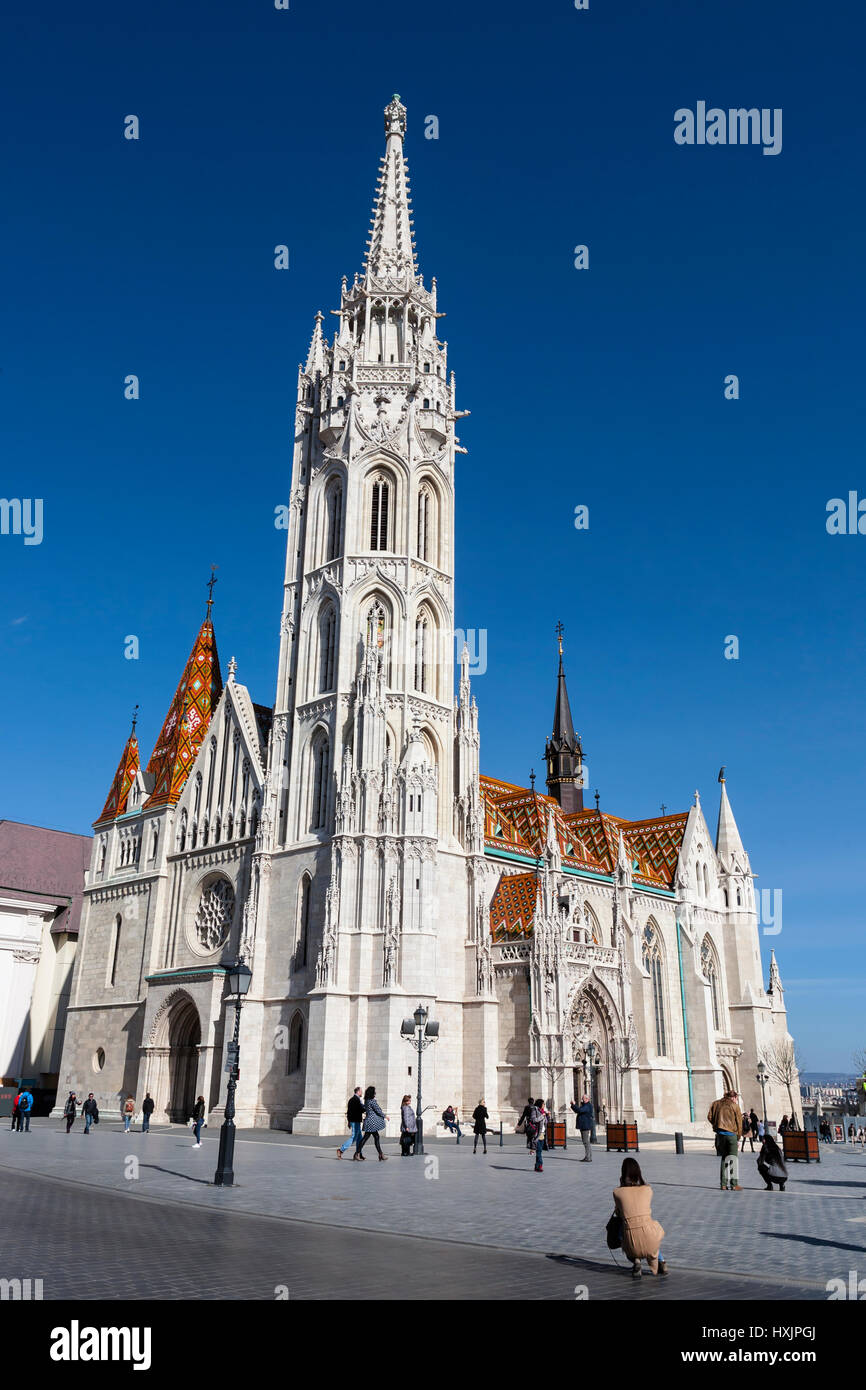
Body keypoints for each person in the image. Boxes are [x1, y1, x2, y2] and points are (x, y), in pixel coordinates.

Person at [613, 1157, 667, 1278]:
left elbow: (619, 1213)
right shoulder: (648, 1190)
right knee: (651, 1230)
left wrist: (621, 1185)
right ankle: (662, 1262)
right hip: (650, 1239)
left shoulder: (617, 1192)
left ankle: (636, 1261)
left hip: (631, 1242)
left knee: (623, 1230)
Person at [707, 1089, 744, 1191]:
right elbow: (739, 1123)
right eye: (736, 1098)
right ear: (734, 1097)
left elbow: (709, 1116)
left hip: (720, 1135)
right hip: (731, 1135)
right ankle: (734, 1184)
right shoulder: (734, 1106)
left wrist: (716, 1125)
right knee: (733, 1159)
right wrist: (738, 1137)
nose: (736, 1100)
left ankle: (723, 1184)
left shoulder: (716, 1104)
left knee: (724, 1159)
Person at [358, 1086, 388, 1160]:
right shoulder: (372, 1101)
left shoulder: (367, 1100)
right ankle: (357, 1153)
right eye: (374, 1091)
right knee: (369, 1138)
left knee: (372, 1137)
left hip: (369, 1121)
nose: (375, 1093)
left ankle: (381, 1154)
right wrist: (385, 1116)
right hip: (372, 1122)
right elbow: (377, 1109)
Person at [337, 1087, 364, 1158]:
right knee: (354, 1137)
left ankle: (358, 1153)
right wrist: (367, 1107)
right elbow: (361, 1110)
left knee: (360, 1138)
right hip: (356, 1121)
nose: (362, 1093)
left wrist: (349, 1121)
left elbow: (349, 1112)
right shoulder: (357, 1100)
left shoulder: (352, 1099)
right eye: (361, 1091)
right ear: (358, 1092)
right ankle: (341, 1150)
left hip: (353, 1121)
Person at [571, 1094, 594, 1161]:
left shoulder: (588, 1106)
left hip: (585, 1126)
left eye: (583, 1098)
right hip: (583, 1125)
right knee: (586, 1142)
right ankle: (589, 1156)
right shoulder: (584, 1105)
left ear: (587, 1099)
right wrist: (573, 1105)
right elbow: (577, 1110)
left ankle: (588, 1157)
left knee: (585, 1142)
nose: (582, 1099)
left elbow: (580, 1110)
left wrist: (574, 1105)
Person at [530, 1099, 546, 1172]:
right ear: (540, 1104)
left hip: (542, 1133)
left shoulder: (542, 1111)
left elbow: (545, 1121)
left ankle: (537, 1166)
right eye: (543, 1104)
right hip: (537, 1133)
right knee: (539, 1150)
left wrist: (546, 1116)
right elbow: (533, 1120)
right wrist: (542, 1117)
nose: (544, 1105)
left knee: (539, 1151)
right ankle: (540, 1165)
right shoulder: (534, 1110)